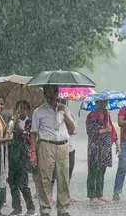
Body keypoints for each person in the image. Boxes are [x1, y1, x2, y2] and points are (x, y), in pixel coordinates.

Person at [30, 85, 76, 216]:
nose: (52, 95)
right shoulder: (38, 112)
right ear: (45, 94)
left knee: (63, 178)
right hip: (46, 145)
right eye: (49, 92)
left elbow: (72, 129)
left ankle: (63, 209)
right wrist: (33, 153)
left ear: (58, 93)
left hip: (63, 146)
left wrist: (65, 114)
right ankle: (45, 209)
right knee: (45, 178)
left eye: (54, 92)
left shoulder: (65, 108)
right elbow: (33, 133)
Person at [86, 100, 120, 204]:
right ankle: (92, 196)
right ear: (96, 103)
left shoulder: (106, 114)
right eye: (100, 102)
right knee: (93, 170)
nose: (103, 105)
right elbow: (91, 132)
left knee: (102, 171)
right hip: (95, 147)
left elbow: (112, 130)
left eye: (105, 103)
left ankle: (99, 194)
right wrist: (105, 130)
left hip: (105, 147)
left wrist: (117, 143)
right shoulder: (92, 116)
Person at [8, 100, 35, 216]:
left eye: (24, 108)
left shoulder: (30, 122)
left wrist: (21, 130)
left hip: (23, 155)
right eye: (19, 108)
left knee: (23, 183)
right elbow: (7, 134)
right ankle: (17, 208)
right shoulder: (12, 121)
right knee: (12, 182)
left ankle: (30, 207)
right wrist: (14, 123)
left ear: (28, 110)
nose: (22, 110)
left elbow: (29, 138)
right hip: (12, 154)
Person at [50, 98, 77, 203]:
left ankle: (66, 195)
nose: (62, 101)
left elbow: (74, 130)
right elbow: (54, 128)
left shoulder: (70, 113)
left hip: (69, 147)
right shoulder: (52, 112)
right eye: (60, 99)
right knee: (53, 173)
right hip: (55, 147)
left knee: (67, 173)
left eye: (64, 99)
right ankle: (50, 195)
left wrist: (65, 115)